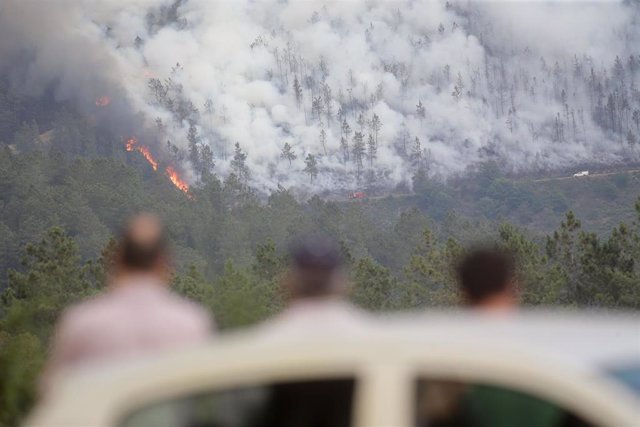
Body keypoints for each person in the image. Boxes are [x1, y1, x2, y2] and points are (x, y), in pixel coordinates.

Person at [40, 214, 214, 393]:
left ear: (117, 258)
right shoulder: (192, 323)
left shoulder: (81, 323)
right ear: (164, 262)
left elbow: (52, 392)